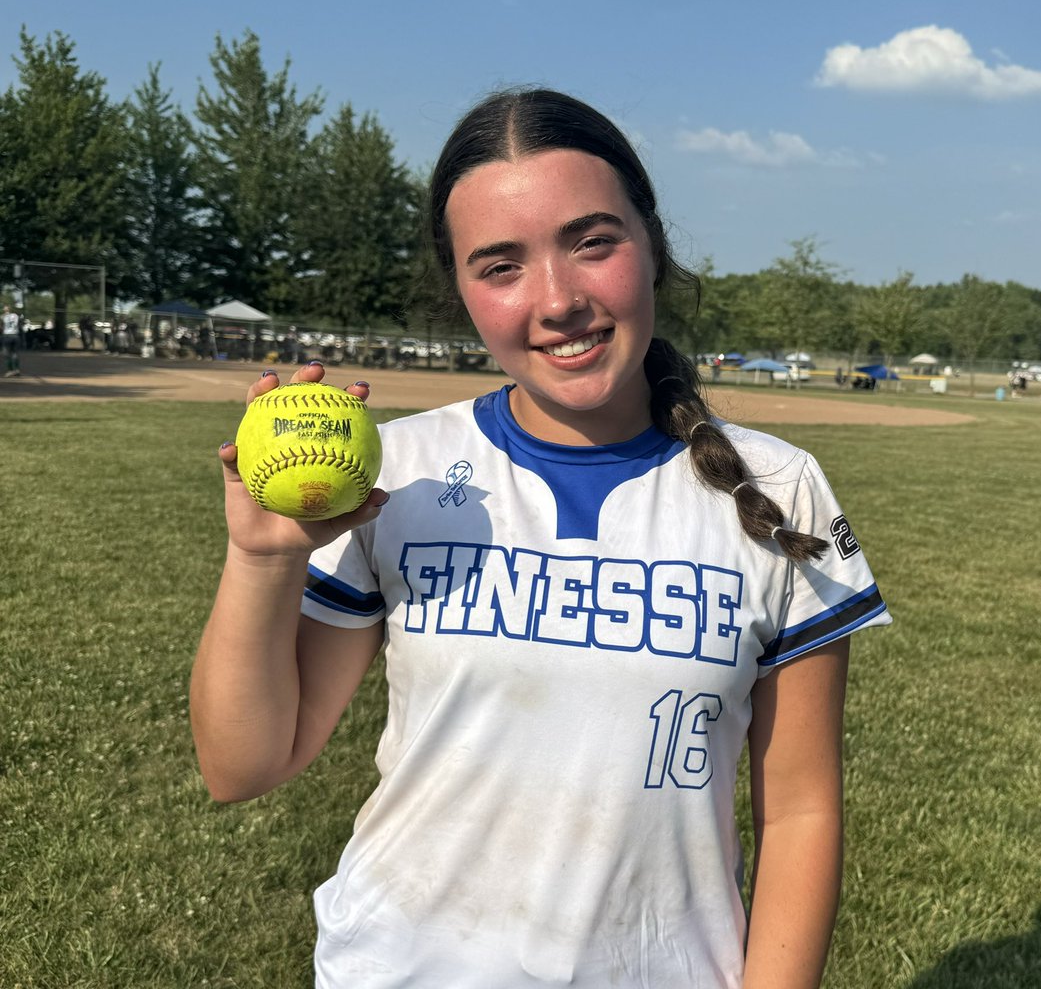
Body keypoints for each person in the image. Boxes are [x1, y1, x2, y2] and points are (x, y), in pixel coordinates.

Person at [191, 87, 891, 989]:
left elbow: (799, 809)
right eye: (500, 265)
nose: (557, 300)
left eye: (592, 242)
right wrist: (261, 557)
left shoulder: (781, 488)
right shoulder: (398, 473)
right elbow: (241, 767)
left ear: (653, 245)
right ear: (463, 292)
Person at [2, 302, 22, 376]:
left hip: (7, 335)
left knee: (6, 353)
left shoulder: (3, 316)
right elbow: (19, 324)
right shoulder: (16, 316)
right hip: (15, 335)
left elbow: (2, 326)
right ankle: (17, 369)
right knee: (15, 353)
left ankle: (10, 370)